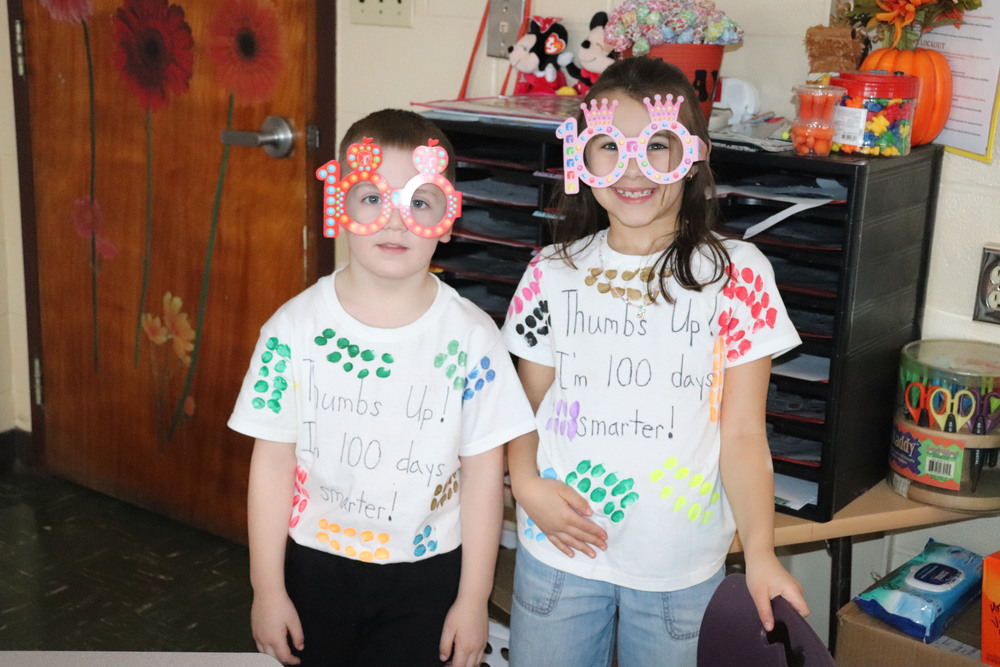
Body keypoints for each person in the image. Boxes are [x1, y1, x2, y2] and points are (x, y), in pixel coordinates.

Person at [502, 57, 811, 667]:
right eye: (608, 147)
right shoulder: (550, 272)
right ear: (580, 160)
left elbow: (745, 433)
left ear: (692, 157)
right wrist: (526, 485)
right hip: (559, 553)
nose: (633, 169)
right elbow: (521, 407)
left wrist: (763, 555)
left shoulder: (736, 274)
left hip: (682, 568)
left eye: (658, 146)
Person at [229, 109, 536, 667]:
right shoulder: (292, 330)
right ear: (337, 205)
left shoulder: (473, 338)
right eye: (371, 197)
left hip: (430, 572)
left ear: (448, 218)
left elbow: (485, 476)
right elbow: (270, 464)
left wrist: (473, 601)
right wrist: (267, 589)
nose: (395, 220)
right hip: (315, 564)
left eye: (419, 202)